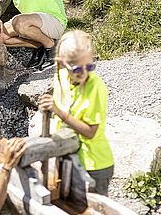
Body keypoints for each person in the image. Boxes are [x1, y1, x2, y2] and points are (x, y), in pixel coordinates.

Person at [37, 30, 114, 196]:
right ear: (61, 64)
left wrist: (58, 111)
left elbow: (90, 132)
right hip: (67, 155)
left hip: (93, 164)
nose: (85, 73)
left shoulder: (96, 87)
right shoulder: (62, 76)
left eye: (90, 66)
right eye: (78, 69)